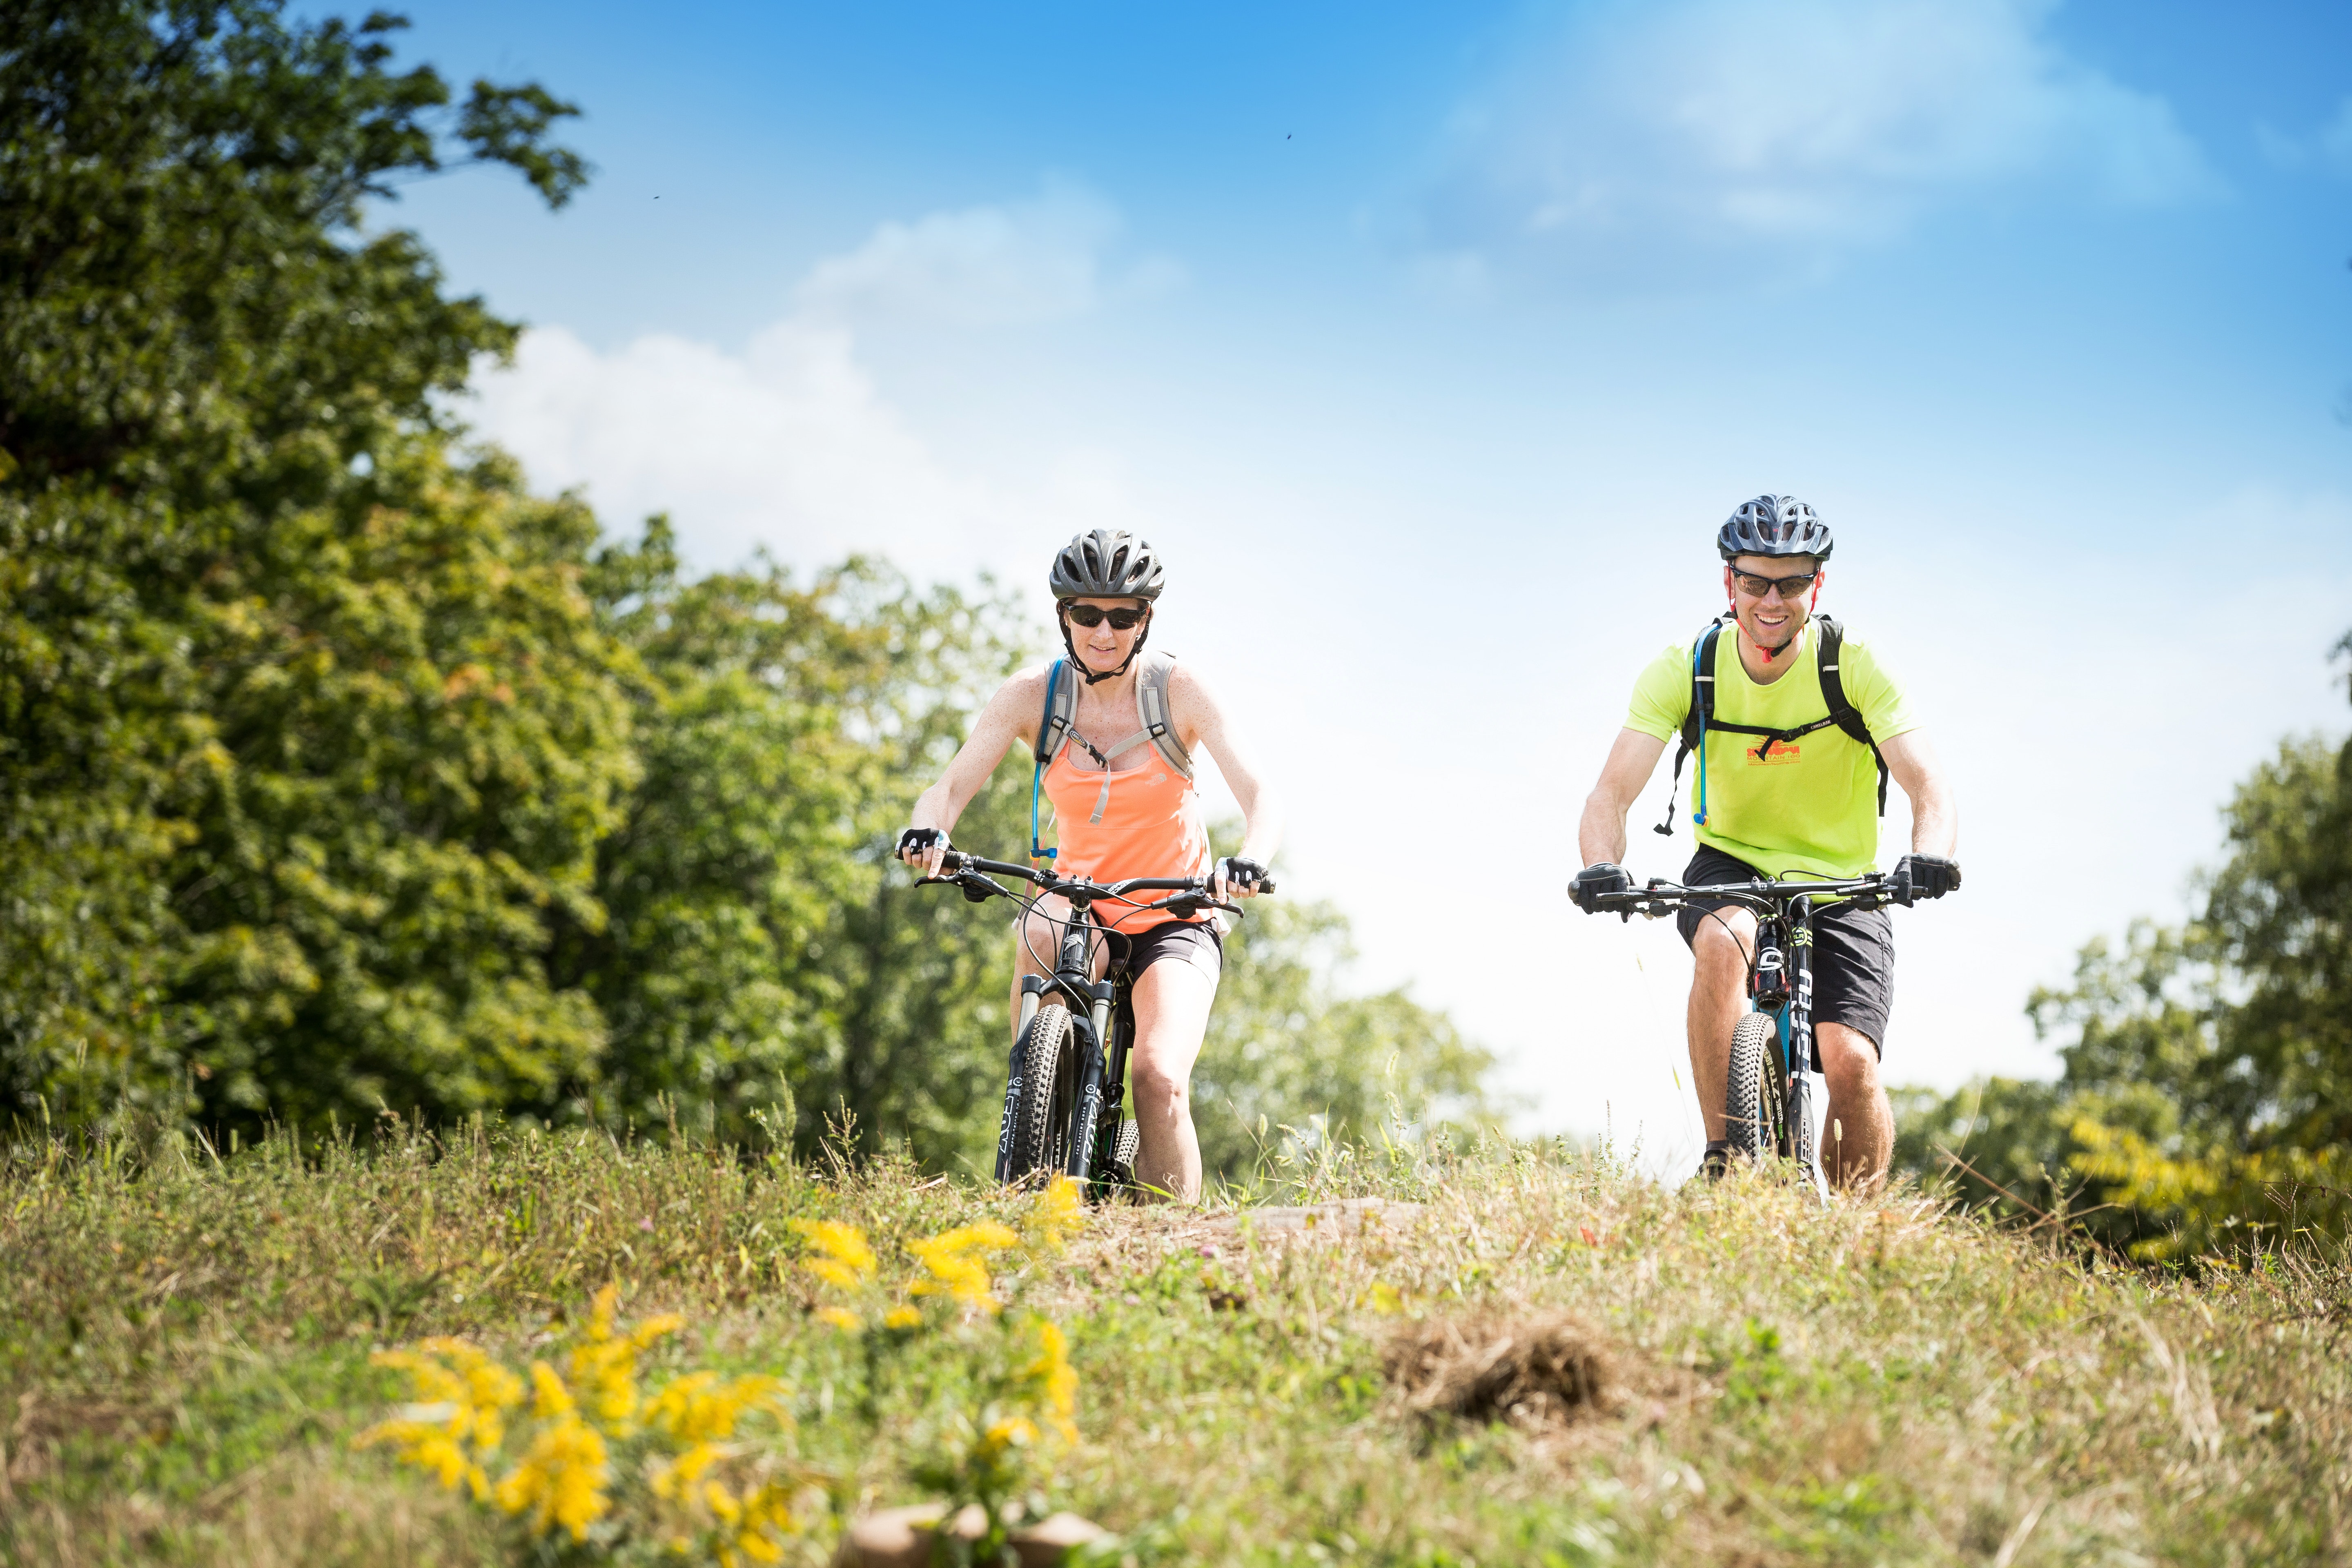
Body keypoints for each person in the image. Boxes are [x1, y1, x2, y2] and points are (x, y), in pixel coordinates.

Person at [1568, 495, 1960, 1192]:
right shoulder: (1688, 668)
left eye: (1791, 583)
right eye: (1754, 582)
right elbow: (1610, 793)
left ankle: (1859, 1222)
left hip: (1845, 880)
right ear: (1729, 585)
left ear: (1818, 585)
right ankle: (1725, 1159)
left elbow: (1928, 781)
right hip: (1731, 861)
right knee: (1724, 943)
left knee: (1849, 1063)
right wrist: (1602, 865)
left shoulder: (1854, 664)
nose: (1771, 600)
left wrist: (1930, 856)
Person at [896, 529, 1283, 1204]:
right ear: (1063, 616)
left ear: (1146, 621)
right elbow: (951, 786)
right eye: (1087, 613)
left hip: (1176, 907)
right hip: (1077, 898)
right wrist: (931, 829)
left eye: (1123, 615)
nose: (1104, 631)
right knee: (1042, 931)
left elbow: (1262, 794)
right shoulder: (1031, 695)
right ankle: (1036, 1105)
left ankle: (1169, 1246)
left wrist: (1249, 858)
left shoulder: (1180, 690)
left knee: (1160, 1079)